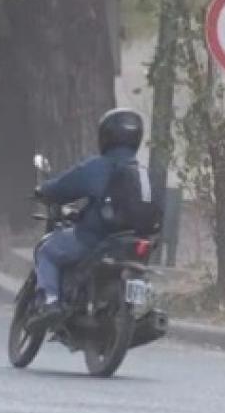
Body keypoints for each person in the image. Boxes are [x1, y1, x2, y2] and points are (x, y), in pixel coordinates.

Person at [31, 108, 147, 327]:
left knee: (47, 251)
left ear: (106, 135)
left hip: (95, 239)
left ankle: (51, 301)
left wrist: (43, 190)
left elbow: (64, 186)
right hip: (134, 243)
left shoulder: (99, 166)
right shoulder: (141, 171)